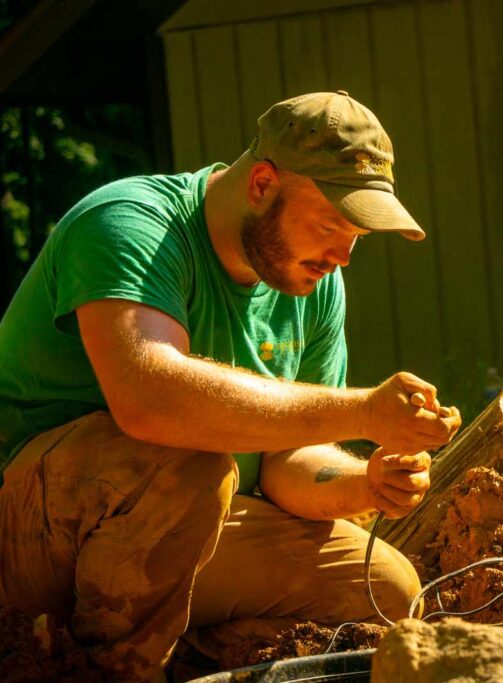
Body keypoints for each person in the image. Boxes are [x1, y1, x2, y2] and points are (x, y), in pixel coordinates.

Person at [0, 91, 462, 680]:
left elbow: (289, 459)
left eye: (358, 238)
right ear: (263, 183)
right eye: (330, 225)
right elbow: (149, 401)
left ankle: (178, 657)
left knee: (383, 590)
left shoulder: (312, 282)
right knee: (190, 465)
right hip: (28, 536)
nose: (342, 256)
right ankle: (98, 669)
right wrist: (363, 412)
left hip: (167, 531)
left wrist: (365, 481)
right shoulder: (128, 222)